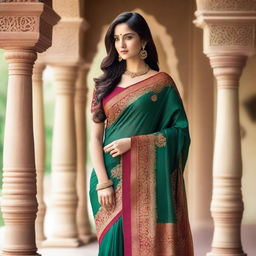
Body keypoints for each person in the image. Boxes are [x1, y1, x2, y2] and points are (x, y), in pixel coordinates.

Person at [89, 11, 194, 256]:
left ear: (144, 41)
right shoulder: (105, 84)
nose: (121, 45)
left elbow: (180, 131)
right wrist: (103, 182)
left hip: (146, 178)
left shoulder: (161, 83)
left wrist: (134, 143)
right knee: (113, 243)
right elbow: (95, 137)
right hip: (109, 178)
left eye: (128, 37)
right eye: (116, 39)